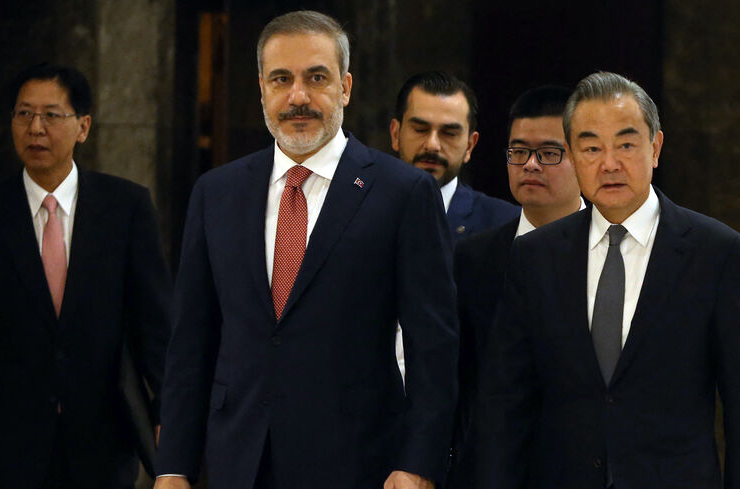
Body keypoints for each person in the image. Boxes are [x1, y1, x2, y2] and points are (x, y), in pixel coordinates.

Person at [154, 11, 457, 489]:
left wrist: (419, 461)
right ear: (261, 90)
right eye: (282, 79)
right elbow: (191, 342)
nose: (298, 97)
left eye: (316, 78)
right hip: (239, 459)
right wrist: (173, 465)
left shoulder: (403, 193)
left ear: (346, 88)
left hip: (358, 461)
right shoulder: (216, 193)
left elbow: (433, 347)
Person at [475, 71, 740, 489]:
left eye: (626, 144)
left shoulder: (716, 252)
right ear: (574, 156)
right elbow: (505, 403)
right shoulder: (535, 255)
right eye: (591, 147)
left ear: (656, 148)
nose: (609, 163)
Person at [0, 63, 172, 489]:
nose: (35, 128)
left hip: (101, 440)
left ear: (83, 127)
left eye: (50, 115)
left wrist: (169, 416)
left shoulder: (126, 208)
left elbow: (155, 326)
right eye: (23, 114)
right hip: (4, 444)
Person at [447, 85, 584, 488]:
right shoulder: (473, 258)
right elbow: (459, 379)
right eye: (519, 151)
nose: (531, 165)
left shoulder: (613, 248)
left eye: (549, 153)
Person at [390, 71, 518, 242]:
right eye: (420, 129)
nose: (432, 145)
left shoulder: (506, 225)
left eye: (449, 133)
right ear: (396, 134)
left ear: (470, 146)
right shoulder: (360, 210)